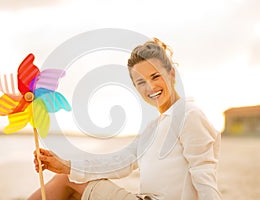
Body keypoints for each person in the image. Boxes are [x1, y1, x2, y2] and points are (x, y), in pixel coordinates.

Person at [28, 38, 222, 200]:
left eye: (155, 76)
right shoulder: (153, 127)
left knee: (67, 181)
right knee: (68, 180)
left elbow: (204, 175)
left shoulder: (189, 115)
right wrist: (66, 165)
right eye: (141, 82)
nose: (150, 87)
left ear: (171, 74)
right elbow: (119, 162)